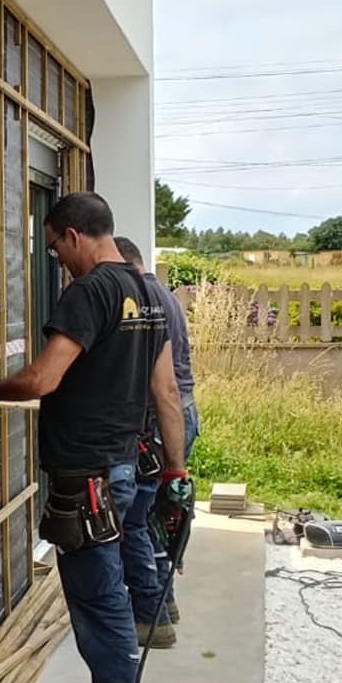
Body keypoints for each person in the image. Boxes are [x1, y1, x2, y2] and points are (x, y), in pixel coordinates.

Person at [0, 192, 187, 683]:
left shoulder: (88, 294)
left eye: (55, 243)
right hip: (122, 469)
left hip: (84, 476)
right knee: (104, 601)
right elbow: (166, 394)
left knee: (100, 607)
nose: (56, 256)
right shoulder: (149, 294)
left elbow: (43, 377)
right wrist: (175, 473)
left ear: (74, 235)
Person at [114, 236, 197, 643]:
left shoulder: (143, 299)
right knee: (154, 519)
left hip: (163, 422)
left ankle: (152, 618)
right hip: (178, 415)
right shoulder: (161, 293)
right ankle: (165, 603)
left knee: (136, 523)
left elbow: (158, 384)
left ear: (126, 263)